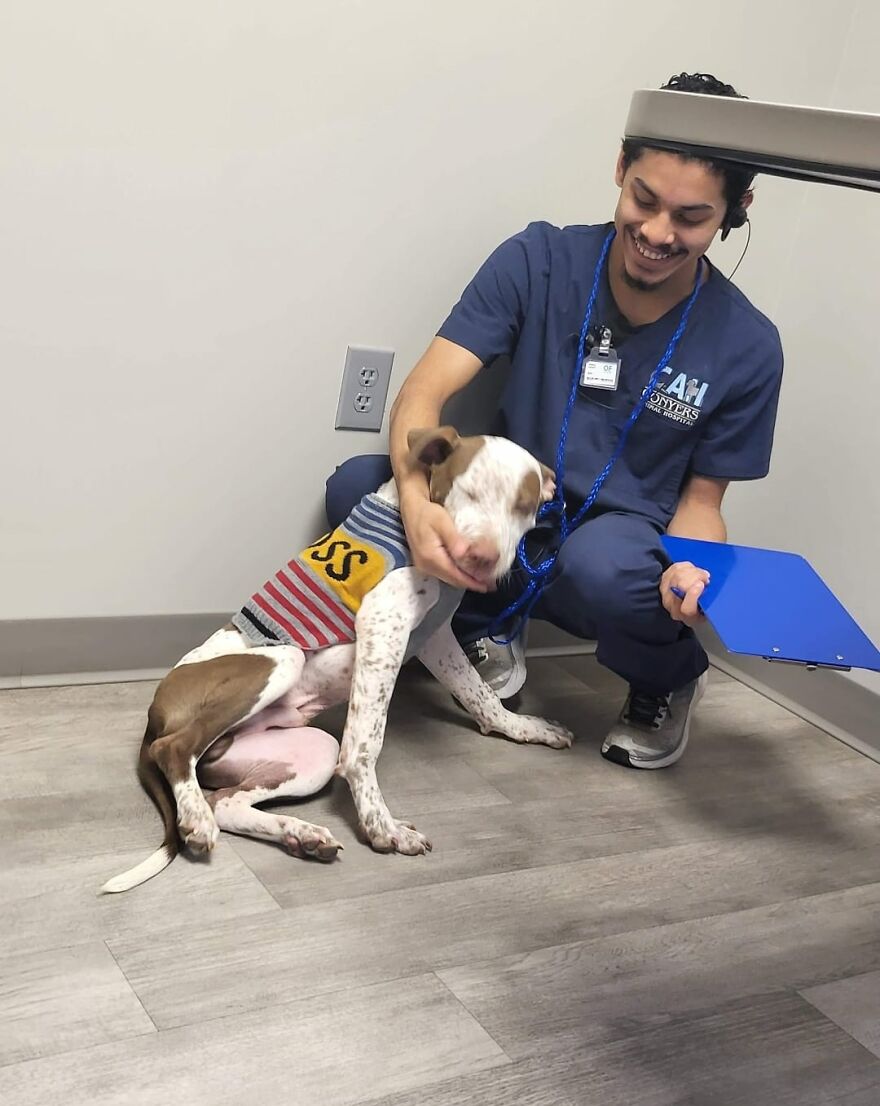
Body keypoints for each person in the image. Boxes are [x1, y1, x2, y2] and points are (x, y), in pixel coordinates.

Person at [325, 72, 784, 770]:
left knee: (603, 567)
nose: (657, 233)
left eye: (690, 218)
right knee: (363, 487)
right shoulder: (539, 261)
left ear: (735, 211)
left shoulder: (748, 344)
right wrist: (417, 508)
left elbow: (701, 504)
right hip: (510, 512)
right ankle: (482, 627)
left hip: (614, 548)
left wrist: (693, 573)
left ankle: (667, 680)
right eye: (644, 199)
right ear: (620, 168)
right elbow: (422, 394)